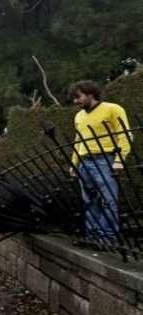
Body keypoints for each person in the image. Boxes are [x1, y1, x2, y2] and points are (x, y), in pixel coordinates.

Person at [67, 80, 132, 246]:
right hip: (84, 163)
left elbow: (124, 135)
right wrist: (74, 163)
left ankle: (107, 238)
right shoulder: (79, 116)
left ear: (90, 93)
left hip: (105, 160)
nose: (75, 101)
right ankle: (93, 237)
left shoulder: (113, 109)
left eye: (78, 96)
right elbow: (78, 140)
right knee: (89, 201)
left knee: (108, 200)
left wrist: (119, 160)